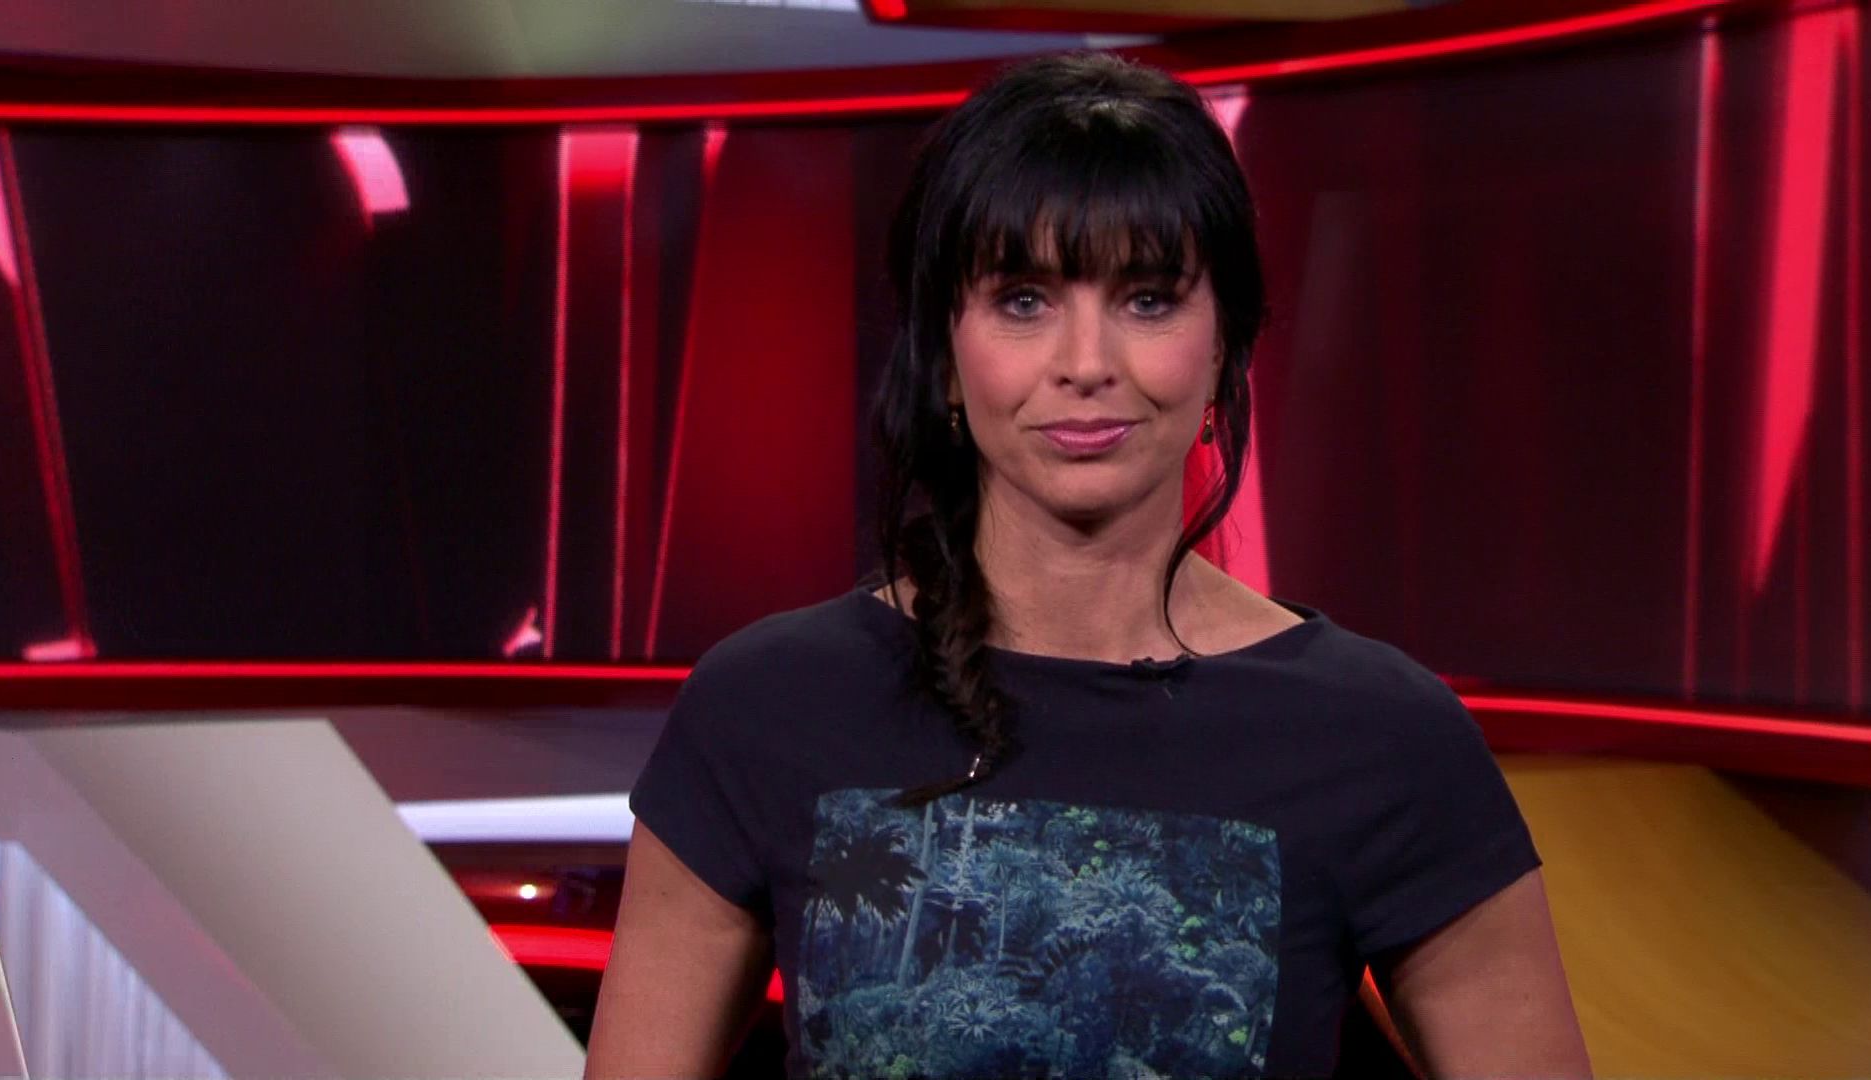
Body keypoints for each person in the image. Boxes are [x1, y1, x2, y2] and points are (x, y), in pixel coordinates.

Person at [585, 51, 1590, 1079]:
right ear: (945, 352)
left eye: (1147, 299)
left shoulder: (1382, 736)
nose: (1085, 363)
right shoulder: (764, 707)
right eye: (1024, 299)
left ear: (1225, 347)